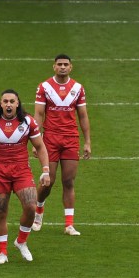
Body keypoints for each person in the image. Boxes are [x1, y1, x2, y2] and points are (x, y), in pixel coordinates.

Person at [0, 90, 50, 264]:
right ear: (0, 104)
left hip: (21, 170)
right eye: (5, 101)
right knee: (0, 212)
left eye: (12, 101)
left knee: (31, 206)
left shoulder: (28, 121)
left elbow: (40, 146)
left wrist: (45, 171)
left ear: (17, 103)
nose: (8, 104)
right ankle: (2, 253)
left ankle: (21, 241)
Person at [32, 55, 91, 236]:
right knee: (48, 180)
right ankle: (38, 211)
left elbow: (82, 115)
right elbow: (39, 114)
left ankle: (69, 225)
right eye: (60, 64)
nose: (63, 67)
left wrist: (87, 141)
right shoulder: (44, 87)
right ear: (54, 67)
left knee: (68, 181)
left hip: (70, 139)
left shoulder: (78, 88)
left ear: (71, 67)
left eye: (66, 64)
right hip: (50, 139)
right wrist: (36, 141)